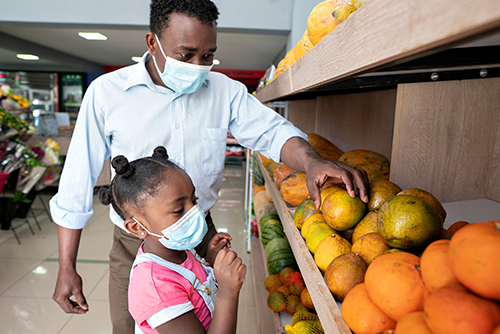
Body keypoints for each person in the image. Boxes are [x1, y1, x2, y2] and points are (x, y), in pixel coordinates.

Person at [50, 0, 369, 333]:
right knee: (128, 325)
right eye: (185, 55)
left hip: (202, 232)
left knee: (210, 309)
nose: (198, 66)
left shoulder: (224, 91)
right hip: (137, 244)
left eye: (208, 56)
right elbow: (76, 183)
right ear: (152, 43)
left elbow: (273, 132)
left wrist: (312, 160)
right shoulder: (107, 93)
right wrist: (66, 266)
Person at [99, 146, 246, 334]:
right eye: (178, 210)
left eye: (194, 200)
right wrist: (228, 292)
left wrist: (208, 258)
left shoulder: (178, 249)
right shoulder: (154, 286)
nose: (195, 212)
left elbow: (192, 285)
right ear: (137, 227)